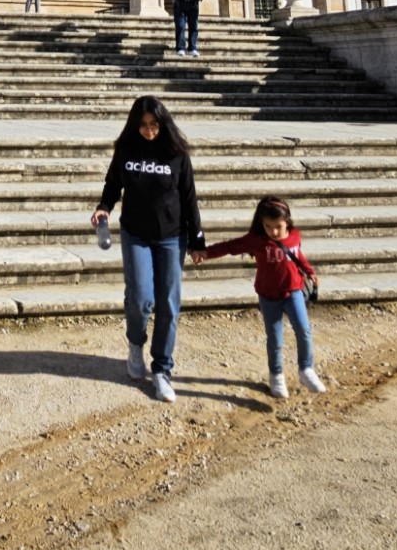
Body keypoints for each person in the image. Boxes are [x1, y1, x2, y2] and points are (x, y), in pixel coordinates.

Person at [91, 96, 206, 403]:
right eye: (142, 125)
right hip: (136, 234)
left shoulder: (177, 154)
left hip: (172, 236)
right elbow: (113, 184)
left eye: (154, 124)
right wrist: (104, 208)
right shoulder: (126, 148)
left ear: (163, 123)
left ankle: (162, 370)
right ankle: (135, 343)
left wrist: (197, 240)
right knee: (141, 298)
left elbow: (189, 196)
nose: (149, 131)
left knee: (169, 303)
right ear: (134, 125)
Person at [194, 196, 325, 398]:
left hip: (293, 292)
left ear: (287, 222)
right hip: (269, 296)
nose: (273, 231)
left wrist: (309, 271)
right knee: (275, 339)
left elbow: (298, 255)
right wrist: (205, 253)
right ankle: (276, 375)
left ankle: (306, 369)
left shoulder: (295, 236)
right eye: (268, 226)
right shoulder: (256, 241)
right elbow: (230, 246)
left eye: (278, 227)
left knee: (304, 329)